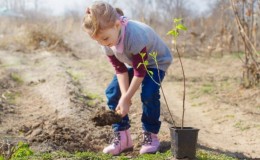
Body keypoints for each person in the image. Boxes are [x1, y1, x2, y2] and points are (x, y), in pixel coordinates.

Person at [82, 1, 173, 156]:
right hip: (134, 63)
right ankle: (123, 138)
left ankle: (150, 135)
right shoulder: (106, 40)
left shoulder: (134, 36)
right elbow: (120, 70)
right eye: (97, 41)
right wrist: (124, 97)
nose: (102, 43)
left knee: (148, 94)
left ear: (117, 25)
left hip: (156, 62)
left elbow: (140, 72)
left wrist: (127, 98)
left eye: (104, 39)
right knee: (113, 91)